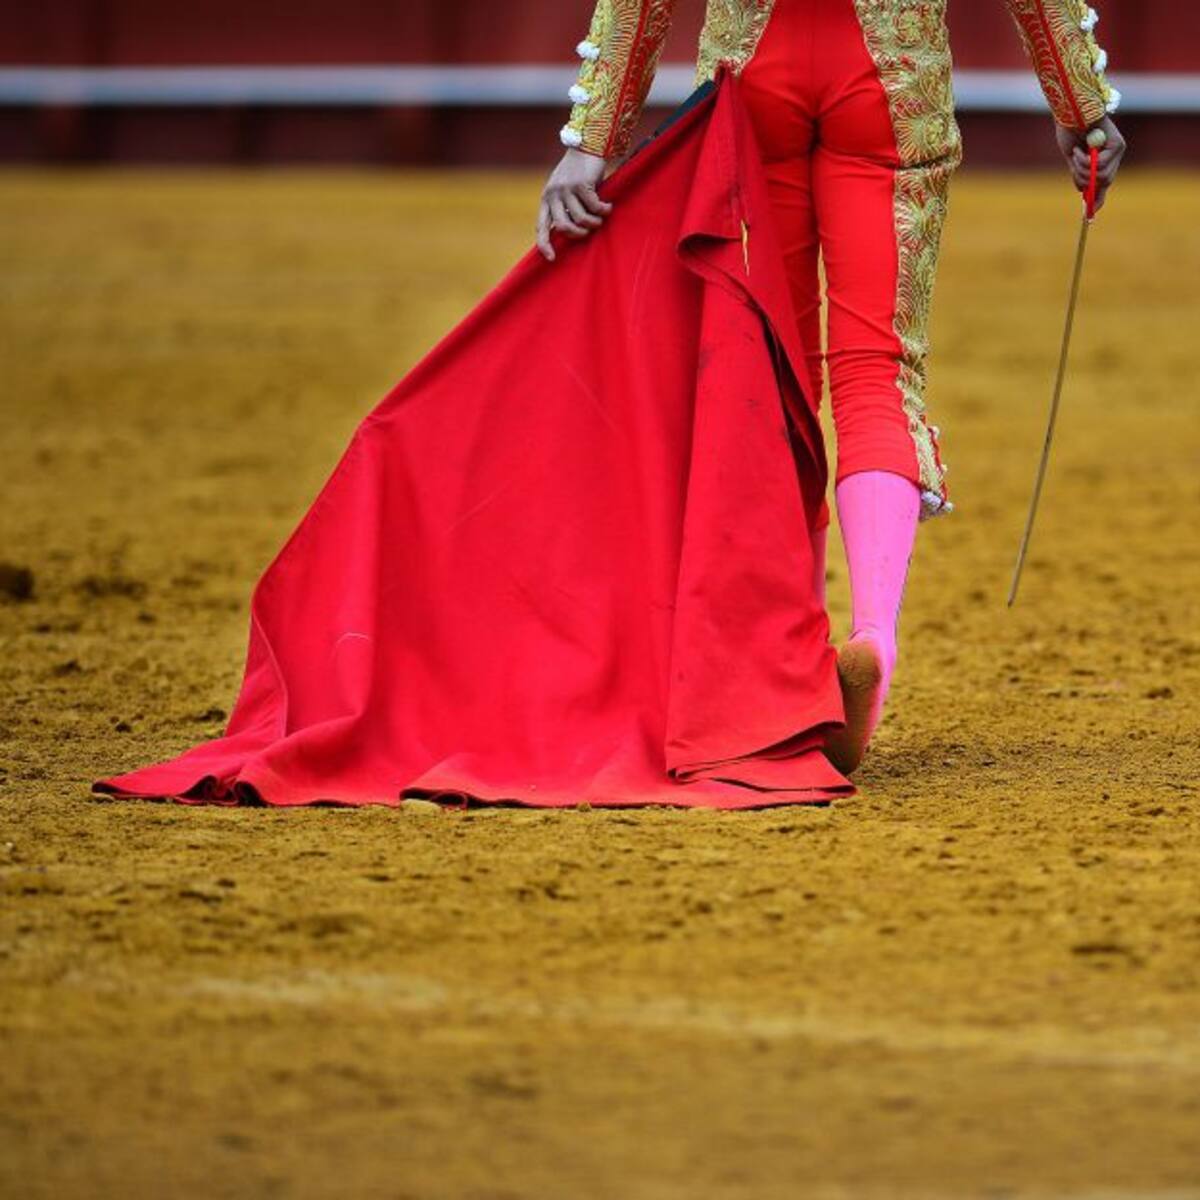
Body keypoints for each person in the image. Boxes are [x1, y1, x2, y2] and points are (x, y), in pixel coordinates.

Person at [536, 0, 1126, 773]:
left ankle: (788, 664)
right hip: (891, 80)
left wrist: (593, 142)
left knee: (773, 368)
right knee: (875, 370)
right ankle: (872, 635)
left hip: (754, 77)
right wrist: (1081, 107)